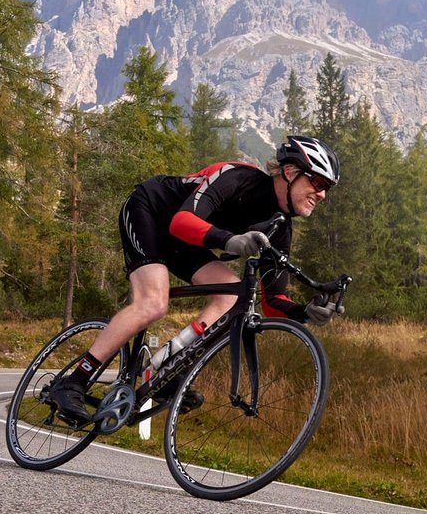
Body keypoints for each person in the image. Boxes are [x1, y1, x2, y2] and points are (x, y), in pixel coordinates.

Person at [49, 135, 345, 422]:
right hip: (151, 211)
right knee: (153, 303)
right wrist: (231, 241)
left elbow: (273, 303)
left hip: (188, 241)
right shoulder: (236, 177)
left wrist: (305, 312)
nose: (322, 194)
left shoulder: (279, 228)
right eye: (318, 183)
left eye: (327, 188)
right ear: (290, 172)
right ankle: (73, 381)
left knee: (232, 296)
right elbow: (181, 221)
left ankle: (166, 366)